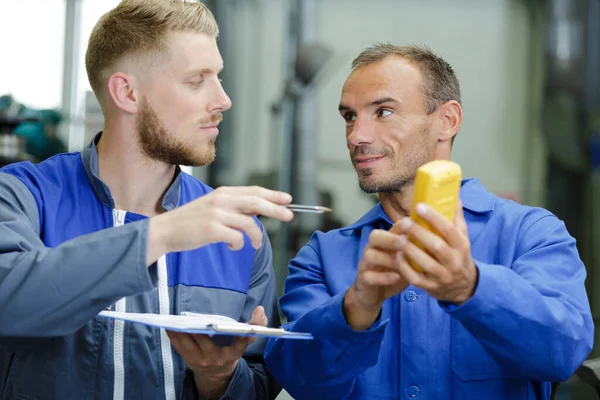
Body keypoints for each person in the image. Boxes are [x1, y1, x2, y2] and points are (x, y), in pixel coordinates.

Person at [264, 43, 594, 400]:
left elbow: (564, 353)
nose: (357, 136)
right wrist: (355, 309)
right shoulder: (321, 258)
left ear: (447, 121)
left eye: (384, 111)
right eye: (349, 116)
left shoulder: (530, 234)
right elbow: (299, 381)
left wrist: (472, 288)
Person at [0, 1, 294, 399]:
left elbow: (261, 386)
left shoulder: (239, 234)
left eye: (218, 78)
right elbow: (10, 298)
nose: (223, 100)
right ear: (127, 92)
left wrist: (218, 376)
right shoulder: (21, 195)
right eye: (196, 80)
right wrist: (162, 234)